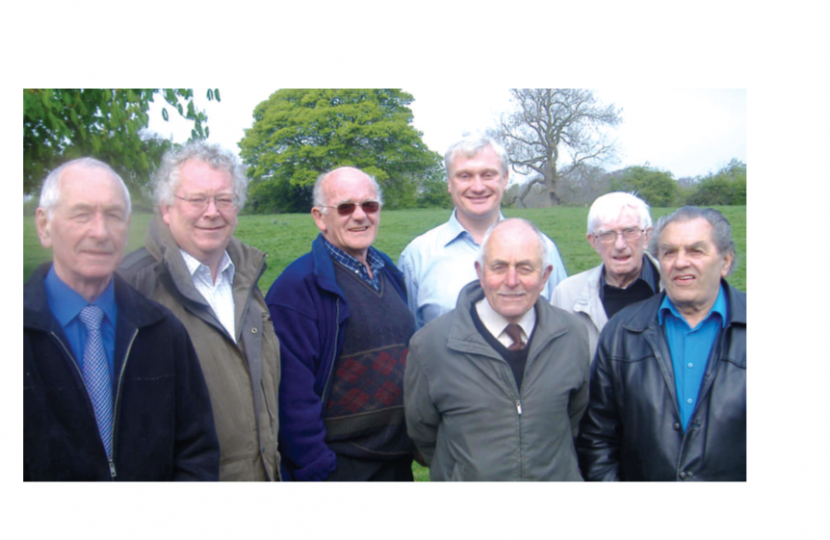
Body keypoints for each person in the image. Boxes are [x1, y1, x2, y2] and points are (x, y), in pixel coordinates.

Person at [24, 157, 219, 481]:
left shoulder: (163, 331)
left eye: (113, 216)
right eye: (81, 214)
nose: (100, 232)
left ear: (127, 228)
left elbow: (196, 452)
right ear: (44, 225)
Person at [120, 141, 281, 481]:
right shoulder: (132, 288)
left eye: (224, 199)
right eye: (196, 199)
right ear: (166, 208)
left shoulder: (248, 281)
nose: (212, 211)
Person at [405, 218, 590, 481]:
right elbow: (424, 434)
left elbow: (572, 419)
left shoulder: (573, 335)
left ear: (545, 275)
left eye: (525, 268)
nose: (511, 280)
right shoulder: (430, 345)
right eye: (499, 267)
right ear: (480, 272)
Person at [266, 167, 416, 481]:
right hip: (341, 468)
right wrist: (318, 469)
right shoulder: (297, 289)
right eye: (346, 207)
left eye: (370, 206)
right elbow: (292, 397)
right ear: (320, 217)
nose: (360, 216)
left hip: (397, 464)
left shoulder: (389, 273)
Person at [576, 206, 746, 481]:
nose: (680, 262)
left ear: (725, 261)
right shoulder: (622, 332)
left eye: (695, 251)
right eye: (669, 252)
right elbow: (598, 439)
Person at [398, 135, 568, 329]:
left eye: (488, 175)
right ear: (449, 183)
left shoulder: (543, 249)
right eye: (465, 176)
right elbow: (409, 341)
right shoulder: (417, 256)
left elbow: (562, 329)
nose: (478, 187)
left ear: (505, 180)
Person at [551, 192, 660, 359]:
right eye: (607, 235)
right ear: (594, 242)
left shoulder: (673, 287)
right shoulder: (567, 295)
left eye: (630, 231)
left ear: (647, 237)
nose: (620, 245)